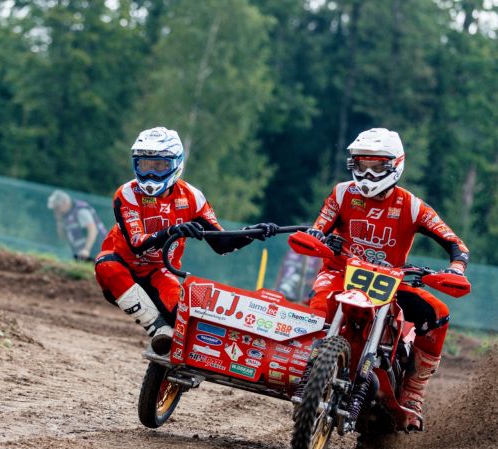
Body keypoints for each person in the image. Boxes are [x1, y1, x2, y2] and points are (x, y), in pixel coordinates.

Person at [306, 128, 469, 430]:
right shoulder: (342, 194)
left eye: (376, 166)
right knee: (317, 310)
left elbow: (454, 243)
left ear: (395, 165)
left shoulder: (412, 206)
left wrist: (456, 268)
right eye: (361, 165)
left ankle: (413, 391)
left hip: (390, 281)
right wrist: (318, 238)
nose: (367, 174)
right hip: (340, 273)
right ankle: (303, 368)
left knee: (438, 315)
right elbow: (318, 228)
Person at [94, 126, 278, 355]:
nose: (151, 174)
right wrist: (173, 230)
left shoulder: (192, 197)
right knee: (106, 265)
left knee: (184, 316)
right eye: (145, 165)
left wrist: (251, 233)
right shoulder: (127, 193)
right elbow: (137, 244)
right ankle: (157, 328)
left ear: (176, 164)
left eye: (159, 166)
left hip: (161, 272)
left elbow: (222, 245)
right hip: (122, 267)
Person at [47, 190, 107, 261]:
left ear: (65, 202)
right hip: (81, 253)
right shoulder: (66, 215)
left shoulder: (81, 210)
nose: (56, 211)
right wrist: (59, 221)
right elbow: (63, 237)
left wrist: (86, 250)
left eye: (57, 208)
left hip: (95, 250)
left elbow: (93, 230)